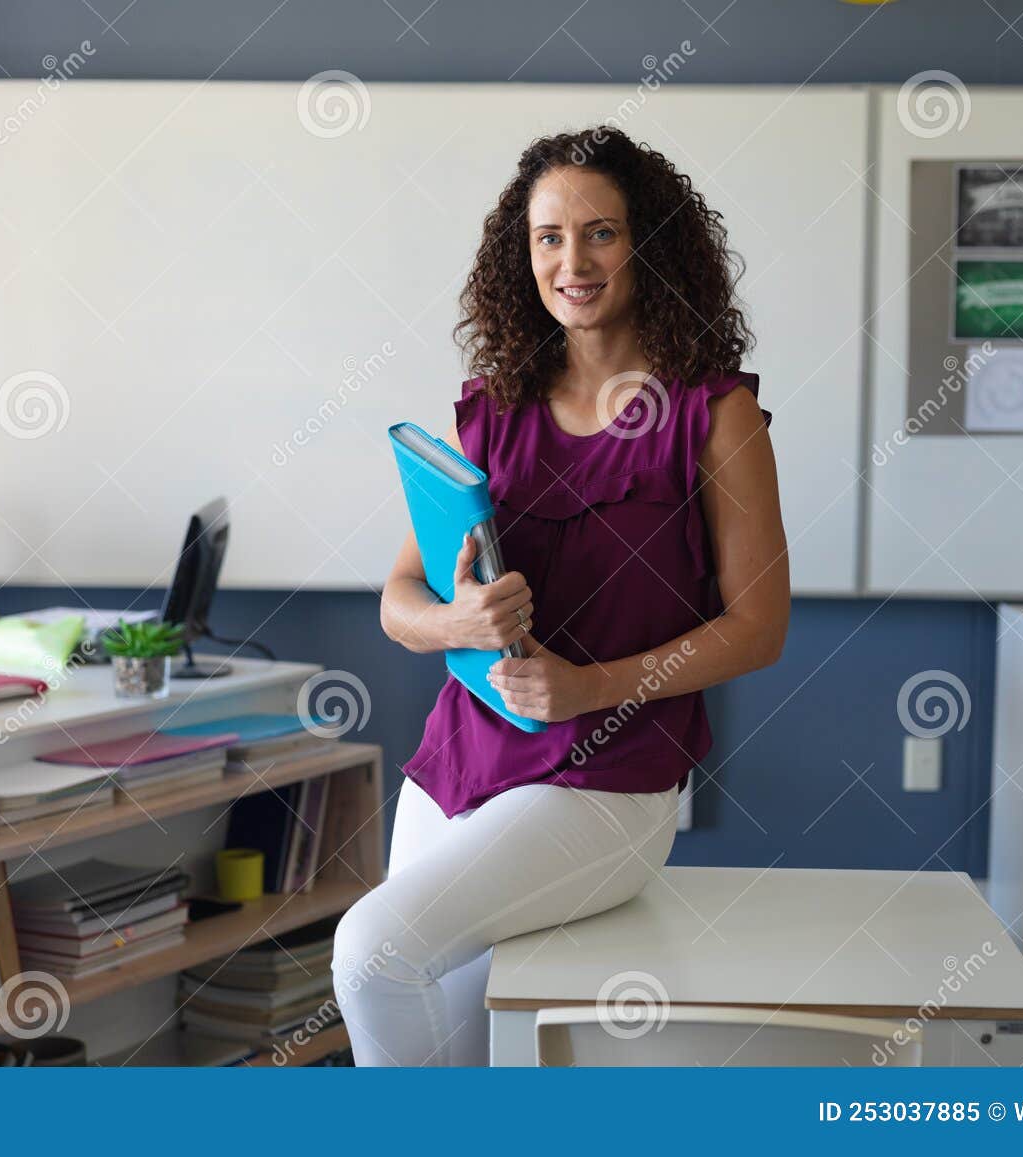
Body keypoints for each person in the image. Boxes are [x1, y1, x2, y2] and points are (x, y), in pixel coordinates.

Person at [332, 125, 790, 1066]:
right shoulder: (494, 405)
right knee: (444, 1032)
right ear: (523, 255)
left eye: (600, 234)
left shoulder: (715, 413)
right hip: (459, 758)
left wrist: (591, 688)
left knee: (370, 953)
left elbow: (759, 628)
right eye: (547, 237)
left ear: (648, 245)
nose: (571, 261)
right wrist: (453, 621)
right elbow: (400, 593)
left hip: (606, 777)